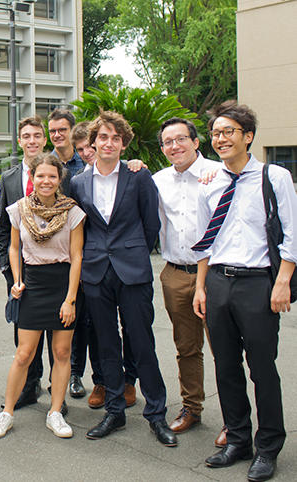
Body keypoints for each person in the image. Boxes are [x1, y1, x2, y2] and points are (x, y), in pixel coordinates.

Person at [193, 101, 297, 482]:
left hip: (258, 283)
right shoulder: (210, 182)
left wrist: (281, 282)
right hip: (218, 281)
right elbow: (205, 240)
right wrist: (201, 287)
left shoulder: (275, 177)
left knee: (262, 367)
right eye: (216, 133)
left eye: (229, 132)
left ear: (248, 136)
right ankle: (238, 439)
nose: (221, 139)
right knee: (225, 366)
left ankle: (268, 446)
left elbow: (292, 234)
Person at [70, 111, 177, 447]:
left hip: (132, 270)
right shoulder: (78, 183)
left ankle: (156, 414)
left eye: (116, 138)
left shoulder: (138, 175)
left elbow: (151, 224)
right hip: (96, 271)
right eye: (103, 137)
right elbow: (80, 227)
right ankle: (114, 410)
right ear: (92, 143)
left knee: (142, 342)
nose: (109, 143)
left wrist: (133, 251)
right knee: (105, 345)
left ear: (123, 144)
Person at [0, 153, 84, 439]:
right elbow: (14, 248)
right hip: (32, 286)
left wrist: (70, 299)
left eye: (52, 176)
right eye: (40, 175)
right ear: (32, 177)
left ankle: (55, 412)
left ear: (59, 179)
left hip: (62, 284)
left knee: (62, 353)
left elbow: (77, 256)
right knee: (24, 354)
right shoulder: (19, 209)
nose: (46, 181)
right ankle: (7, 413)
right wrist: (17, 280)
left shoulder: (72, 212)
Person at [152, 118, 222, 439]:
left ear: (196, 142)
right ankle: (191, 407)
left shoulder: (219, 174)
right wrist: (134, 164)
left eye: (181, 139)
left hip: (216, 275)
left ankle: (234, 419)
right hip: (176, 274)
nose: (174, 146)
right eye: (168, 142)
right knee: (186, 347)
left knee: (224, 349)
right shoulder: (158, 181)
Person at [0, 116, 70, 411]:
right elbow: (4, 228)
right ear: (20, 140)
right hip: (22, 272)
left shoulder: (59, 174)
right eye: (26, 136)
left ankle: (57, 392)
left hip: (56, 271)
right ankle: (29, 386)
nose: (32, 140)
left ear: (44, 139)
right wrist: (7, 269)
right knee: (25, 338)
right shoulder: (9, 178)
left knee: (59, 339)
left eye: (37, 135)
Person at [48, 109, 85, 177]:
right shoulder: (45, 165)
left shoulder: (85, 161)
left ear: (73, 130)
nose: (57, 135)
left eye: (62, 130)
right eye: (52, 131)